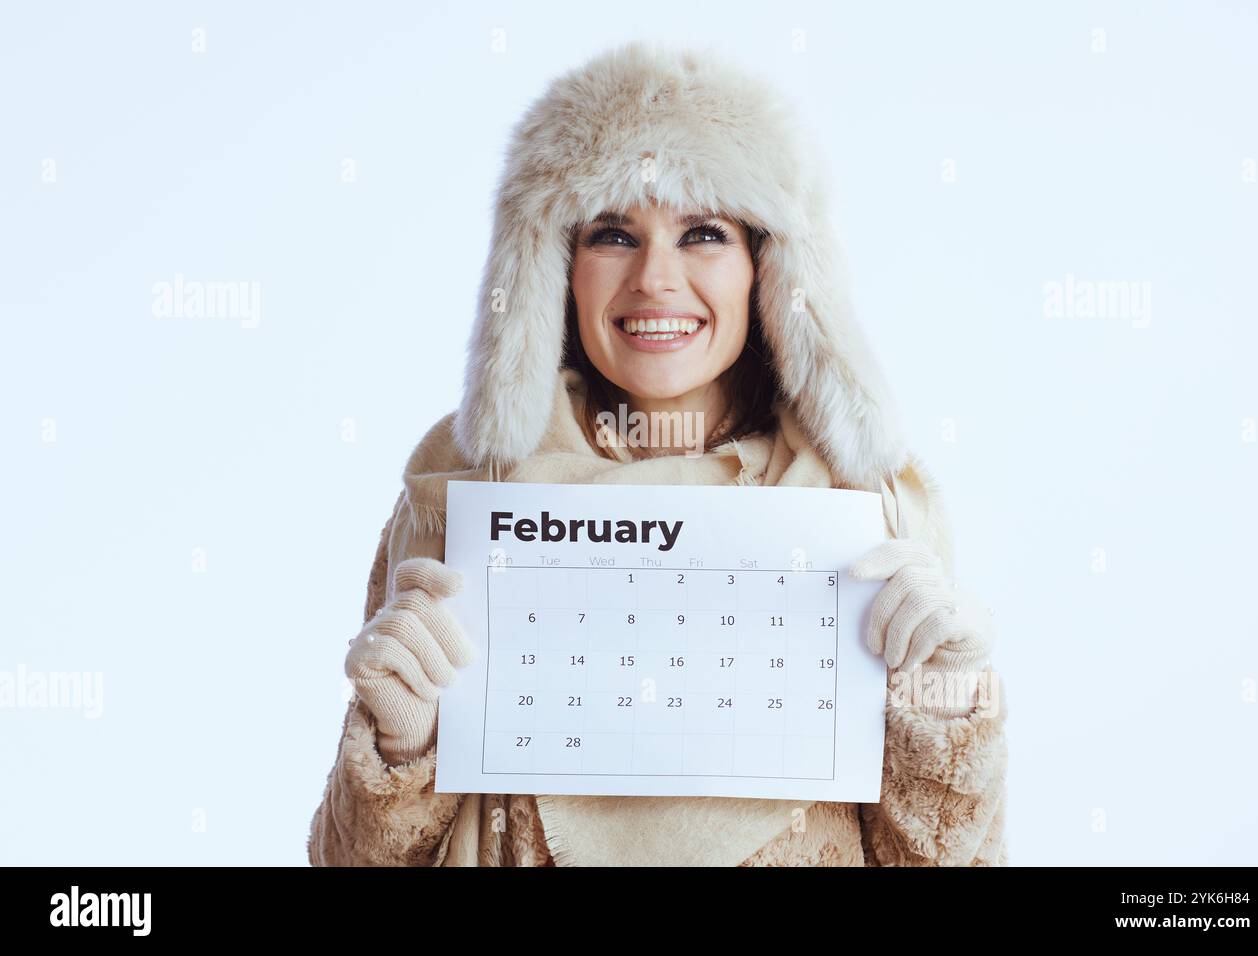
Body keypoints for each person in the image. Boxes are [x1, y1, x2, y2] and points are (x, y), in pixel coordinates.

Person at [307, 39, 1008, 867]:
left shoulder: (869, 507)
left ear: (768, 269)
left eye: (703, 232)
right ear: (556, 268)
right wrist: (399, 746)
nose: (655, 280)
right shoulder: (461, 492)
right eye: (613, 234)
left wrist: (948, 703)